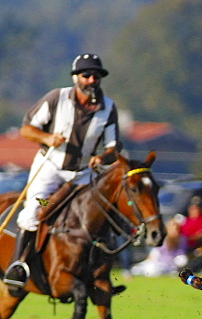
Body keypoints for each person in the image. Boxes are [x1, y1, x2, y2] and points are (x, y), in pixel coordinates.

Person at [4, 53, 121, 297]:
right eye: (86, 75)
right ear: (76, 77)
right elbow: (27, 128)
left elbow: (113, 148)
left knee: (99, 214)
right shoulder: (57, 98)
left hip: (81, 175)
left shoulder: (108, 107)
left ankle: (99, 274)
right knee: (35, 210)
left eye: (96, 76)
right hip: (50, 170)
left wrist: (104, 158)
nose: (91, 80)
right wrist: (47, 138)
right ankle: (18, 268)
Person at [178, 196, 202, 271]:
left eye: (196, 208)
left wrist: (188, 238)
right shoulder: (185, 220)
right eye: (192, 208)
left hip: (196, 246)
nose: (194, 210)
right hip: (183, 246)